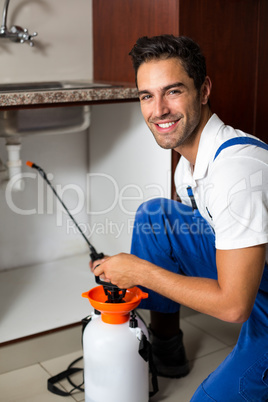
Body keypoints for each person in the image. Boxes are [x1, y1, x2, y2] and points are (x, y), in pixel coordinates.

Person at [92, 35, 268, 400]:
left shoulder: (237, 172)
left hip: (252, 296)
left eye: (173, 91)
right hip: (259, 272)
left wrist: (138, 272)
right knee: (156, 216)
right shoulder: (190, 167)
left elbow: (235, 306)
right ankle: (166, 349)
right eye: (146, 95)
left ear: (203, 91)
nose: (158, 110)